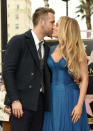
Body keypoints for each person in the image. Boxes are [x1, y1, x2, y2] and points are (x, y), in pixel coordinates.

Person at [2, 7, 55, 131]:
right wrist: (14, 100)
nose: (53, 26)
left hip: (40, 104)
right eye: (52, 22)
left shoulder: (46, 47)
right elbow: (8, 71)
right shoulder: (18, 41)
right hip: (21, 104)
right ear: (42, 21)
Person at [42, 16, 89, 131]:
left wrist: (79, 105)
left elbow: (85, 79)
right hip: (52, 96)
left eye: (57, 25)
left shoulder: (77, 51)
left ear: (65, 29)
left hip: (70, 96)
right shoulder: (50, 49)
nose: (54, 27)